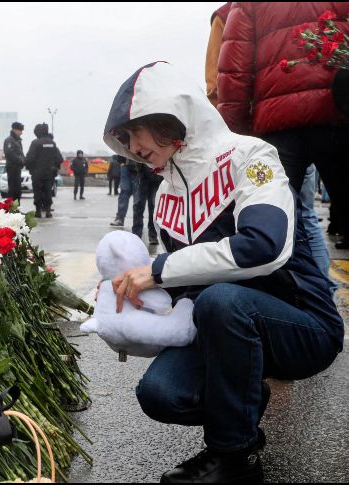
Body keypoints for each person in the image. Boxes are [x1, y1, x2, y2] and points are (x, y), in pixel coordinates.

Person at [104, 62, 343, 483]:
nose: (131, 146)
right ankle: (243, 405)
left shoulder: (252, 156)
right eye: (122, 138)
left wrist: (158, 270)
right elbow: (185, 291)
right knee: (159, 394)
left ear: (171, 114)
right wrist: (129, 307)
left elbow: (263, 246)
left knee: (222, 300)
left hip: (303, 324)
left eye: (134, 130)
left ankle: (234, 456)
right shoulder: (165, 195)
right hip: (228, 327)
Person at [217, 2, 349, 248]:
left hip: (276, 124)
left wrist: (235, 137)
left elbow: (235, 72)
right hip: (339, 112)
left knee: (273, 228)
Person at [26, 123, 63, 218]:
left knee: (37, 192)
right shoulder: (52, 143)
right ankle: (48, 211)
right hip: (49, 173)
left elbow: (30, 158)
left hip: (37, 173)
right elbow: (59, 158)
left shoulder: (36, 143)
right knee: (48, 191)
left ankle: (38, 211)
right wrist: (55, 167)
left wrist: (29, 167)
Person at [131, 168, 162, 245]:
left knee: (153, 207)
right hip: (140, 176)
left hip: (156, 178)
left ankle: (153, 235)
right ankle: (136, 235)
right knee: (138, 205)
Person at [110, 155, 138, 227]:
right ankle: (120, 219)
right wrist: (121, 162)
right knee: (124, 194)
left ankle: (137, 222)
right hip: (126, 165)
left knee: (138, 197)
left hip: (139, 166)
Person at [3, 122, 26, 202]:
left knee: (17, 190)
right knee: (13, 190)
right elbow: (10, 154)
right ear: (15, 130)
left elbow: (21, 154)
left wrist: (24, 160)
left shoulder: (17, 141)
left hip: (17, 168)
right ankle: (11, 208)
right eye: (20, 130)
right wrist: (21, 161)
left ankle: (16, 208)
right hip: (12, 168)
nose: (21, 133)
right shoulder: (9, 140)